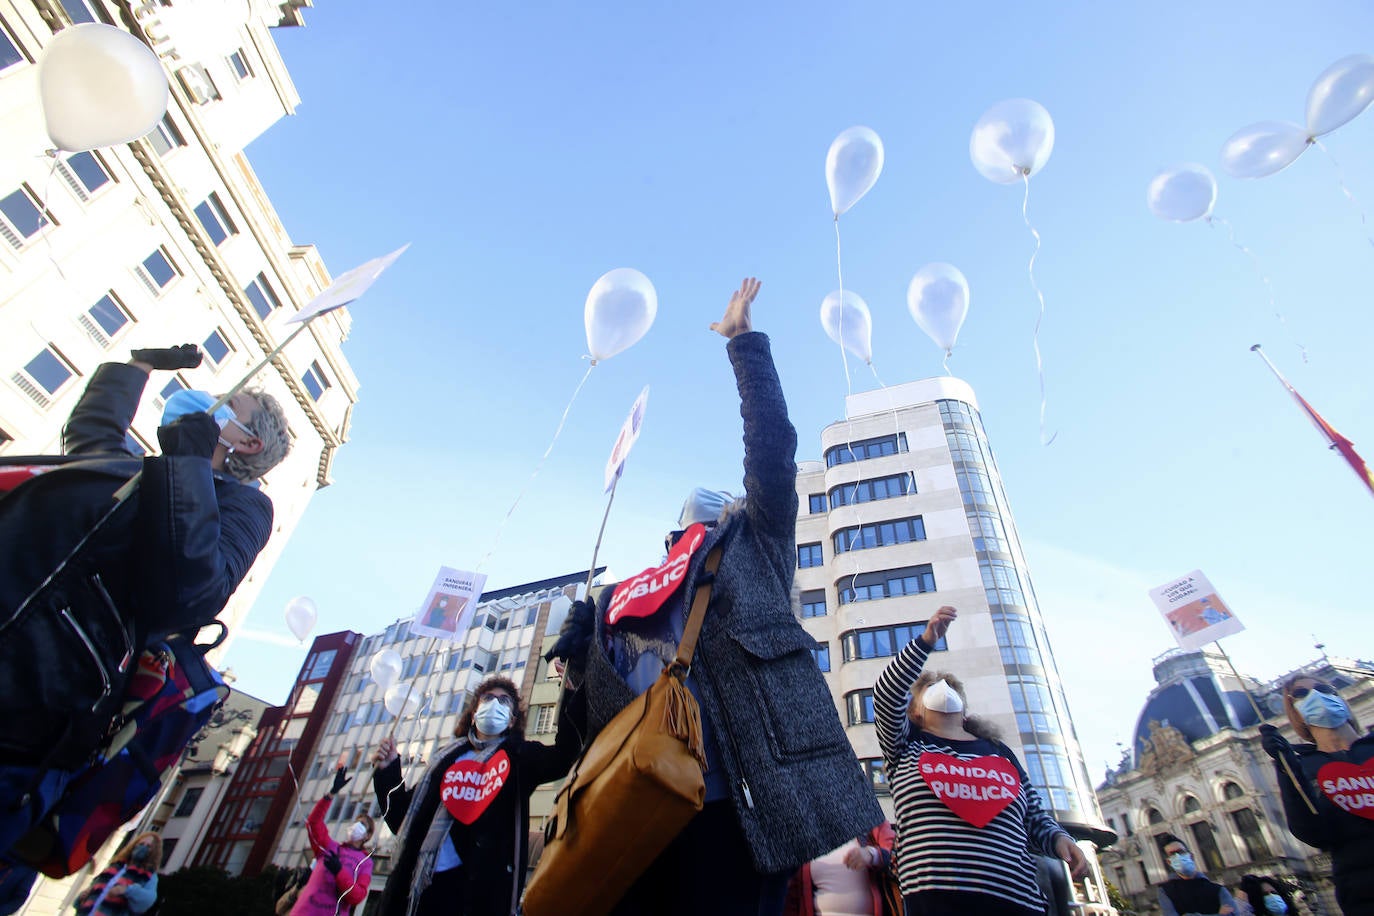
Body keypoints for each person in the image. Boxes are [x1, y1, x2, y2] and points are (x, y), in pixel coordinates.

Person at [552, 278, 883, 915]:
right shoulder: (624, 596)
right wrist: (580, 658)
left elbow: (772, 452)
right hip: (636, 806)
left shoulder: (754, 546)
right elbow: (594, 729)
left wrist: (745, 347)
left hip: (738, 803)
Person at [0, 346, 291, 908]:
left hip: (30, 711)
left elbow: (190, 594)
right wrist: (133, 368)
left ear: (246, 443)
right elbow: (91, 438)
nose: (209, 403)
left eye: (228, 404)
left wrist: (187, 464)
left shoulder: (242, 507)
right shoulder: (143, 470)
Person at [872, 606, 1087, 916]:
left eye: (952, 688)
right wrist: (926, 641)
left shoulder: (997, 752)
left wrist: (1059, 840)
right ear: (915, 711)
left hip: (1017, 899)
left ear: (965, 710)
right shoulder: (905, 746)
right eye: (931, 689)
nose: (943, 689)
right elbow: (887, 693)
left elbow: (1033, 815)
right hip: (936, 901)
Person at [370, 675, 582, 916]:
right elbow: (404, 818)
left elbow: (564, 756)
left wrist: (569, 694)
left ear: (512, 720)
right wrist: (388, 771)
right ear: (473, 714)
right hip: (422, 887)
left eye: (504, 701)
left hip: (477, 891)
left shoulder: (519, 757)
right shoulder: (445, 759)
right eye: (488, 698)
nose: (495, 704)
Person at [1260, 674, 1374, 915]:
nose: (1316, 696)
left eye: (1324, 689)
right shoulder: (1303, 766)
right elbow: (1311, 832)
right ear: (1294, 711)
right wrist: (1285, 766)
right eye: (1301, 694)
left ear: (1340, 698)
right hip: (1363, 889)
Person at [291, 764, 372, 915]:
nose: (356, 826)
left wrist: (339, 872)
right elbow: (313, 823)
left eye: (362, 824)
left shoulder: (366, 863)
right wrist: (331, 794)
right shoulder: (329, 847)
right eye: (356, 822)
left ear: (367, 836)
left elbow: (357, 896)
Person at [782, 822, 900, 916]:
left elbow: (898, 855)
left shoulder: (871, 818)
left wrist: (872, 855)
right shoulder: (802, 832)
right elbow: (791, 898)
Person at [72, 831, 160, 915]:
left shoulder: (149, 876)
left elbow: (148, 900)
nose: (143, 848)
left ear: (153, 852)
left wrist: (127, 890)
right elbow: (92, 888)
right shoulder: (115, 866)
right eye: (141, 844)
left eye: (148, 846)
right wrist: (82, 897)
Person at [1156, 836, 1236, 916]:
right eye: (1172, 854)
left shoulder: (1218, 890)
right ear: (1169, 862)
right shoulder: (1165, 891)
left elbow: (1234, 914)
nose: (1178, 857)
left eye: (1181, 852)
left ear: (1191, 856)